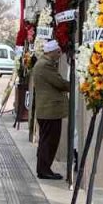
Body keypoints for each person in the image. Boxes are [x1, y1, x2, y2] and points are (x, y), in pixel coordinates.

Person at [32, 39, 69, 180]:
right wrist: (76, 85)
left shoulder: (43, 63)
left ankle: (43, 168)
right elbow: (59, 83)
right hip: (49, 111)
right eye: (58, 52)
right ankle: (44, 170)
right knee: (49, 141)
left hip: (47, 110)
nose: (60, 55)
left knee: (46, 140)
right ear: (51, 52)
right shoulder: (45, 65)